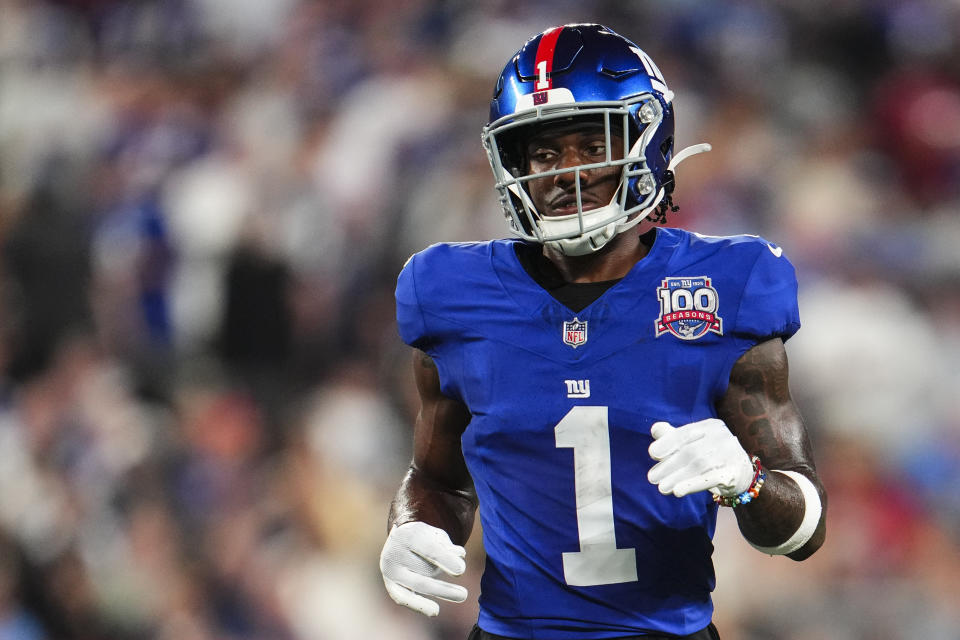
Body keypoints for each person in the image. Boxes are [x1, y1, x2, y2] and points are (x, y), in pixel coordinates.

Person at [379, 23, 826, 640]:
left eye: (592, 145)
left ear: (649, 144)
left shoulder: (729, 283)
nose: (567, 172)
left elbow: (804, 532)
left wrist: (747, 483)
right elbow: (438, 479)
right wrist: (409, 526)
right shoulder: (452, 293)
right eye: (543, 153)